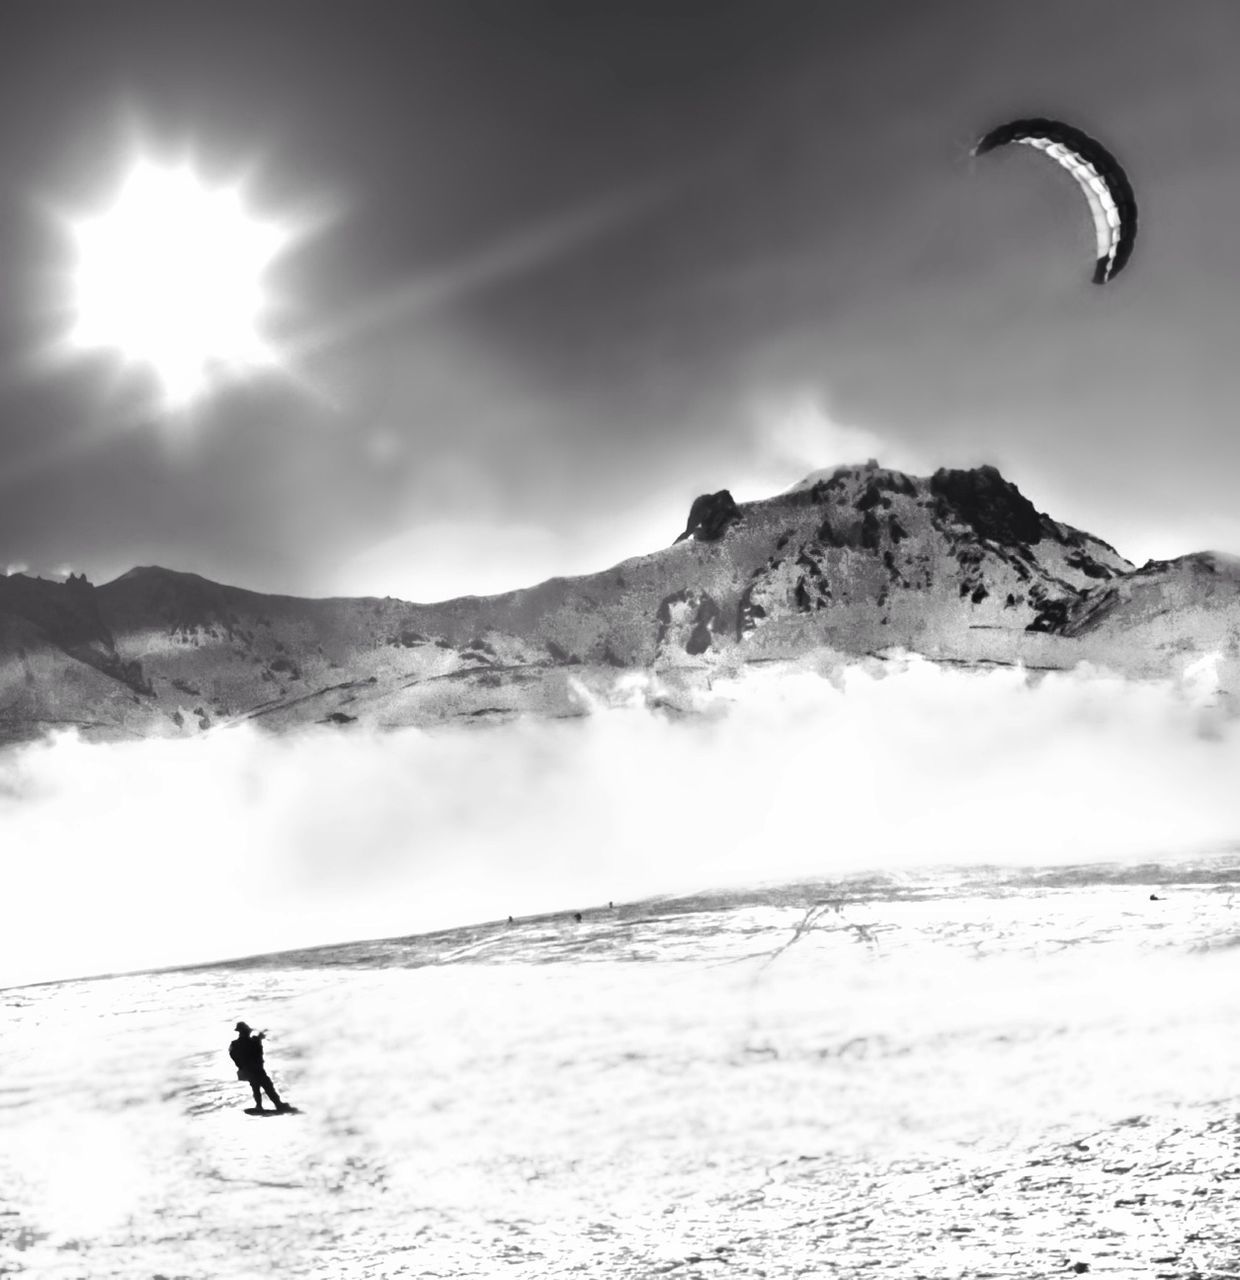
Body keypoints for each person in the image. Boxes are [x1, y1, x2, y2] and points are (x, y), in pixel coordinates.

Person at [229, 1021, 287, 1112]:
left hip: (248, 1070)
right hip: (257, 1069)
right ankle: (277, 1104)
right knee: (267, 1086)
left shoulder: (235, 1043)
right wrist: (259, 1040)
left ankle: (259, 1106)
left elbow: (233, 1056)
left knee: (256, 1088)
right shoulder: (252, 1042)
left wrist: (241, 1066)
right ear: (245, 1031)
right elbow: (258, 1052)